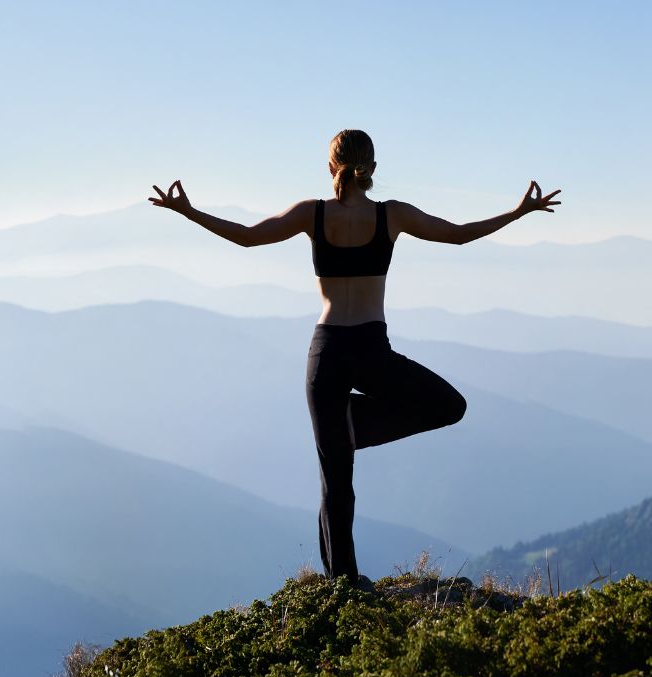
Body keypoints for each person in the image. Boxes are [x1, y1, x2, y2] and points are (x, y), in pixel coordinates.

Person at [149, 129, 561, 588]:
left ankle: (343, 582)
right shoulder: (393, 216)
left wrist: (187, 212)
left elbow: (247, 238)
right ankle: (351, 445)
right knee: (448, 405)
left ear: (331, 168)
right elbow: (459, 236)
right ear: (374, 169)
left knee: (336, 483)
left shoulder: (313, 214)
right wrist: (518, 212)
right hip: (370, 350)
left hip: (325, 356)